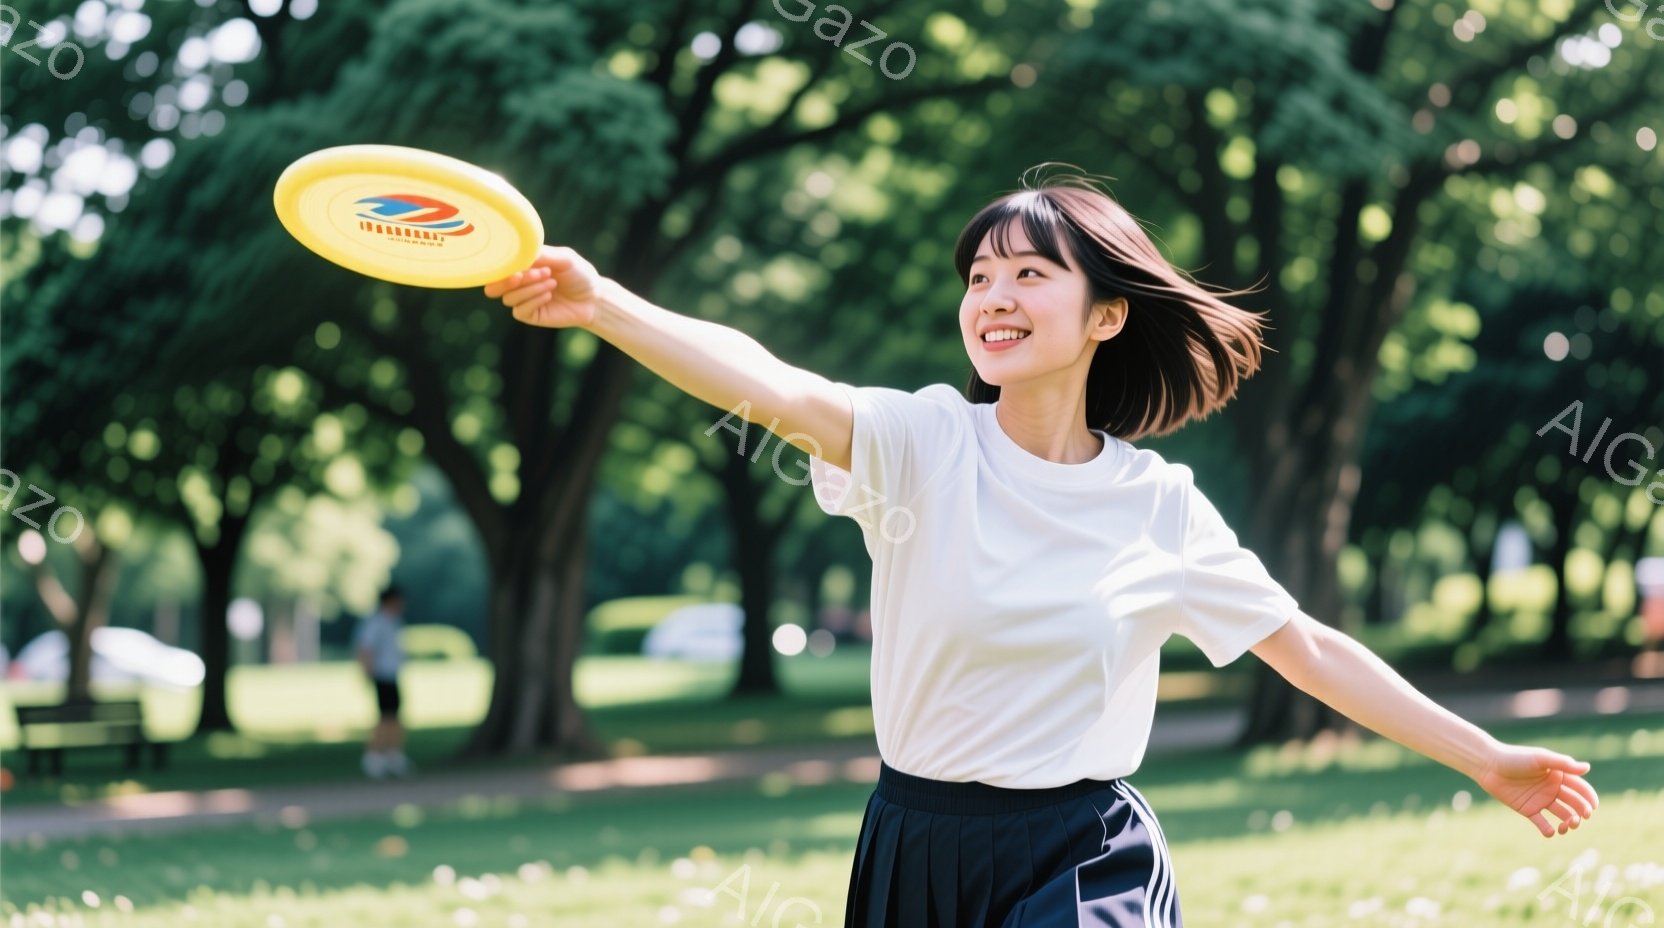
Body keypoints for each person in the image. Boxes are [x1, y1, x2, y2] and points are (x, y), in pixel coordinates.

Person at [484, 166, 1599, 927]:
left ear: (1106, 313)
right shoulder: (923, 444)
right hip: (917, 846)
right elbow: (771, 383)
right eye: (978, 276)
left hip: (1084, 846)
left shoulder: (1156, 503)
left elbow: (1303, 648)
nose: (993, 296)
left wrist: (1482, 757)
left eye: (1028, 273)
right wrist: (602, 304)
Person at [355, 585, 411, 779]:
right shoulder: (376, 623)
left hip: (392, 675)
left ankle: (392, 753)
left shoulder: (393, 622)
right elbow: (366, 649)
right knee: (385, 717)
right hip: (382, 675)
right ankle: (374, 756)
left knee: (394, 716)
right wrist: (367, 673)